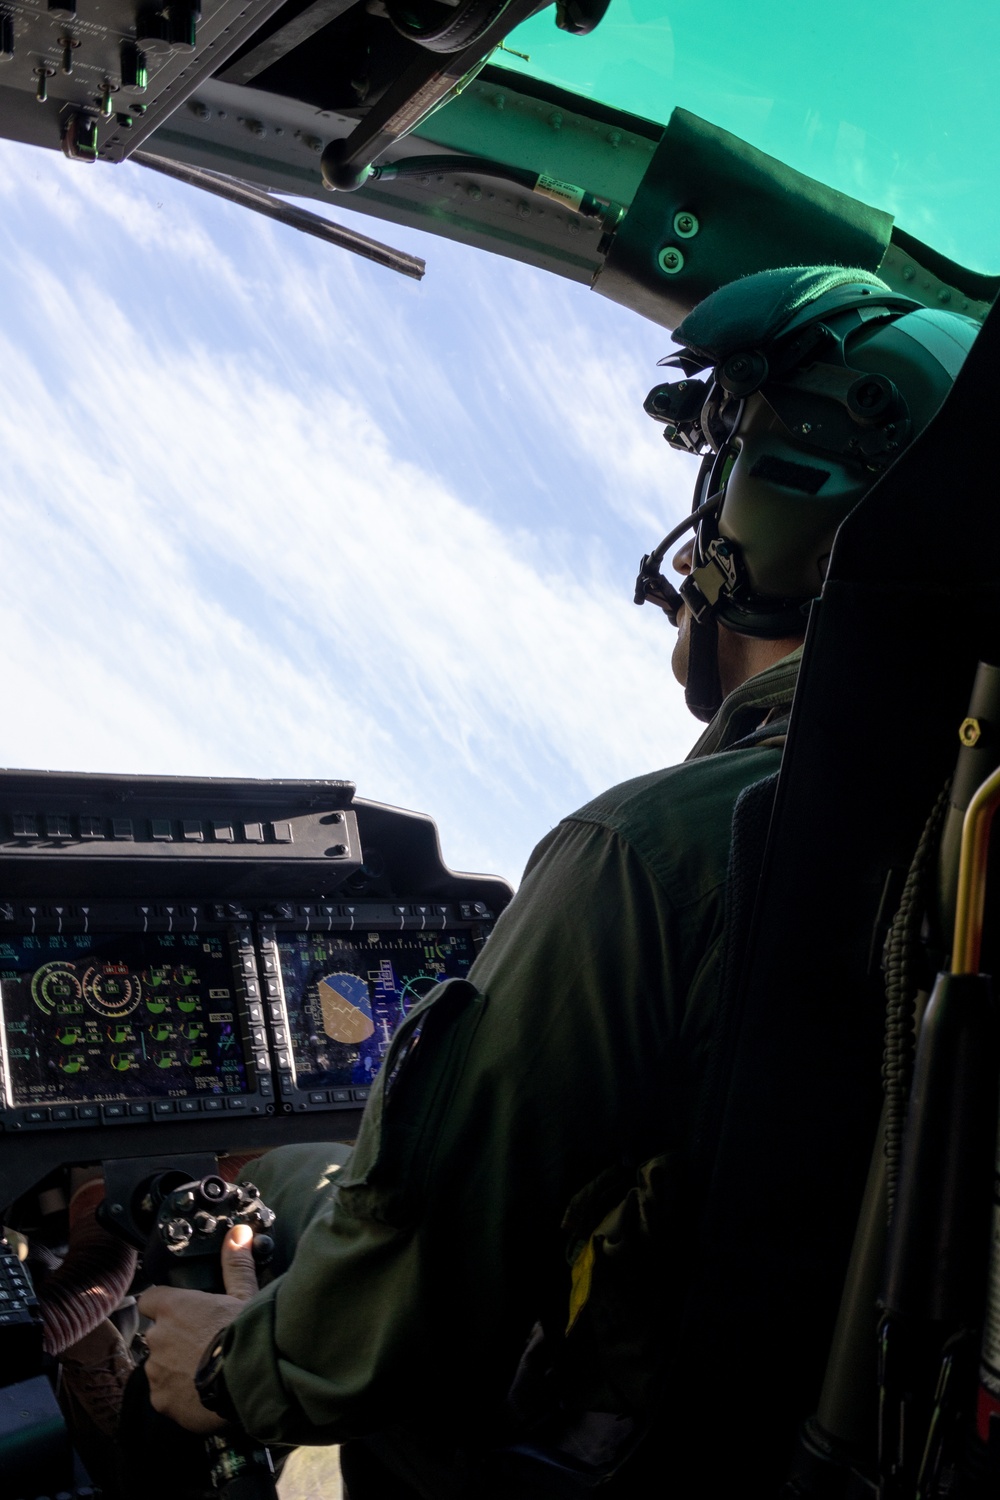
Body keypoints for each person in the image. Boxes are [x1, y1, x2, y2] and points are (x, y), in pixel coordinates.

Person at [133, 266, 980, 1497]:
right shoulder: (954, 855)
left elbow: (417, 1273)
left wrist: (228, 1369)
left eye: (723, 466)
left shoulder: (654, 853)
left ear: (776, 507)